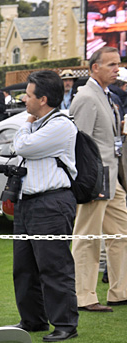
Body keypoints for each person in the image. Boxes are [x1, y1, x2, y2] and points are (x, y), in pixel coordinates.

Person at [8, 69, 79, 342]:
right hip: (27, 202)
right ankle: (33, 319)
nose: (24, 100)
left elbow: (23, 146)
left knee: (54, 266)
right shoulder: (41, 122)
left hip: (52, 202)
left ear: (43, 99)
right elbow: (20, 147)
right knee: (23, 267)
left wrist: (25, 122)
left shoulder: (61, 124)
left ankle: (65, 324)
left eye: (28, 95)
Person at [69, 46, 127, 311]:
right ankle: (84, 296)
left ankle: (120, 291)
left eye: (118, 63)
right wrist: (86, 181)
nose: (117, 68)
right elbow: (78, 143)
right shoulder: (85, 97)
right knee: (88, 237)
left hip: (112, 175)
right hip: (95, 178)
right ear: (95, 68)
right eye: (111, 64)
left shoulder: (108, 95)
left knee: (121, 235)